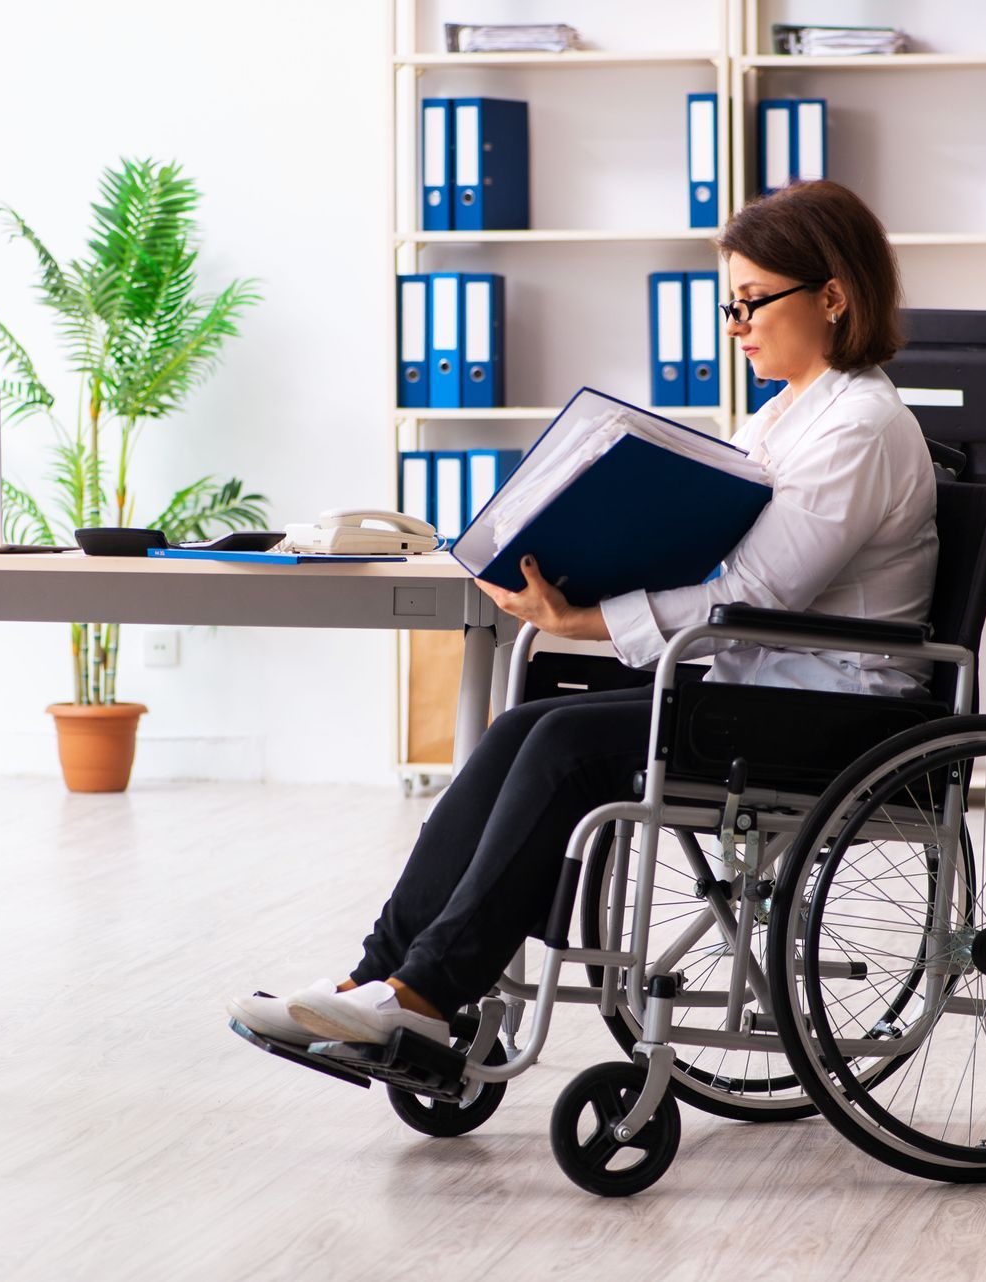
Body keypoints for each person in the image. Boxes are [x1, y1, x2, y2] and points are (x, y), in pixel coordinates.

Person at [228, 179, 939, 1049]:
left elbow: (752, 595)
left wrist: (581, 620)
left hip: (840, 713)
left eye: (753, 302)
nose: (735, 325)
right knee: (524, 725)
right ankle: (378, 972)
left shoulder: (860, 425)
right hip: (765, 686)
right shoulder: (786, 416)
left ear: (833, 296)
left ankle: (426, 995)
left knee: (566, 747)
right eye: (731, 304)